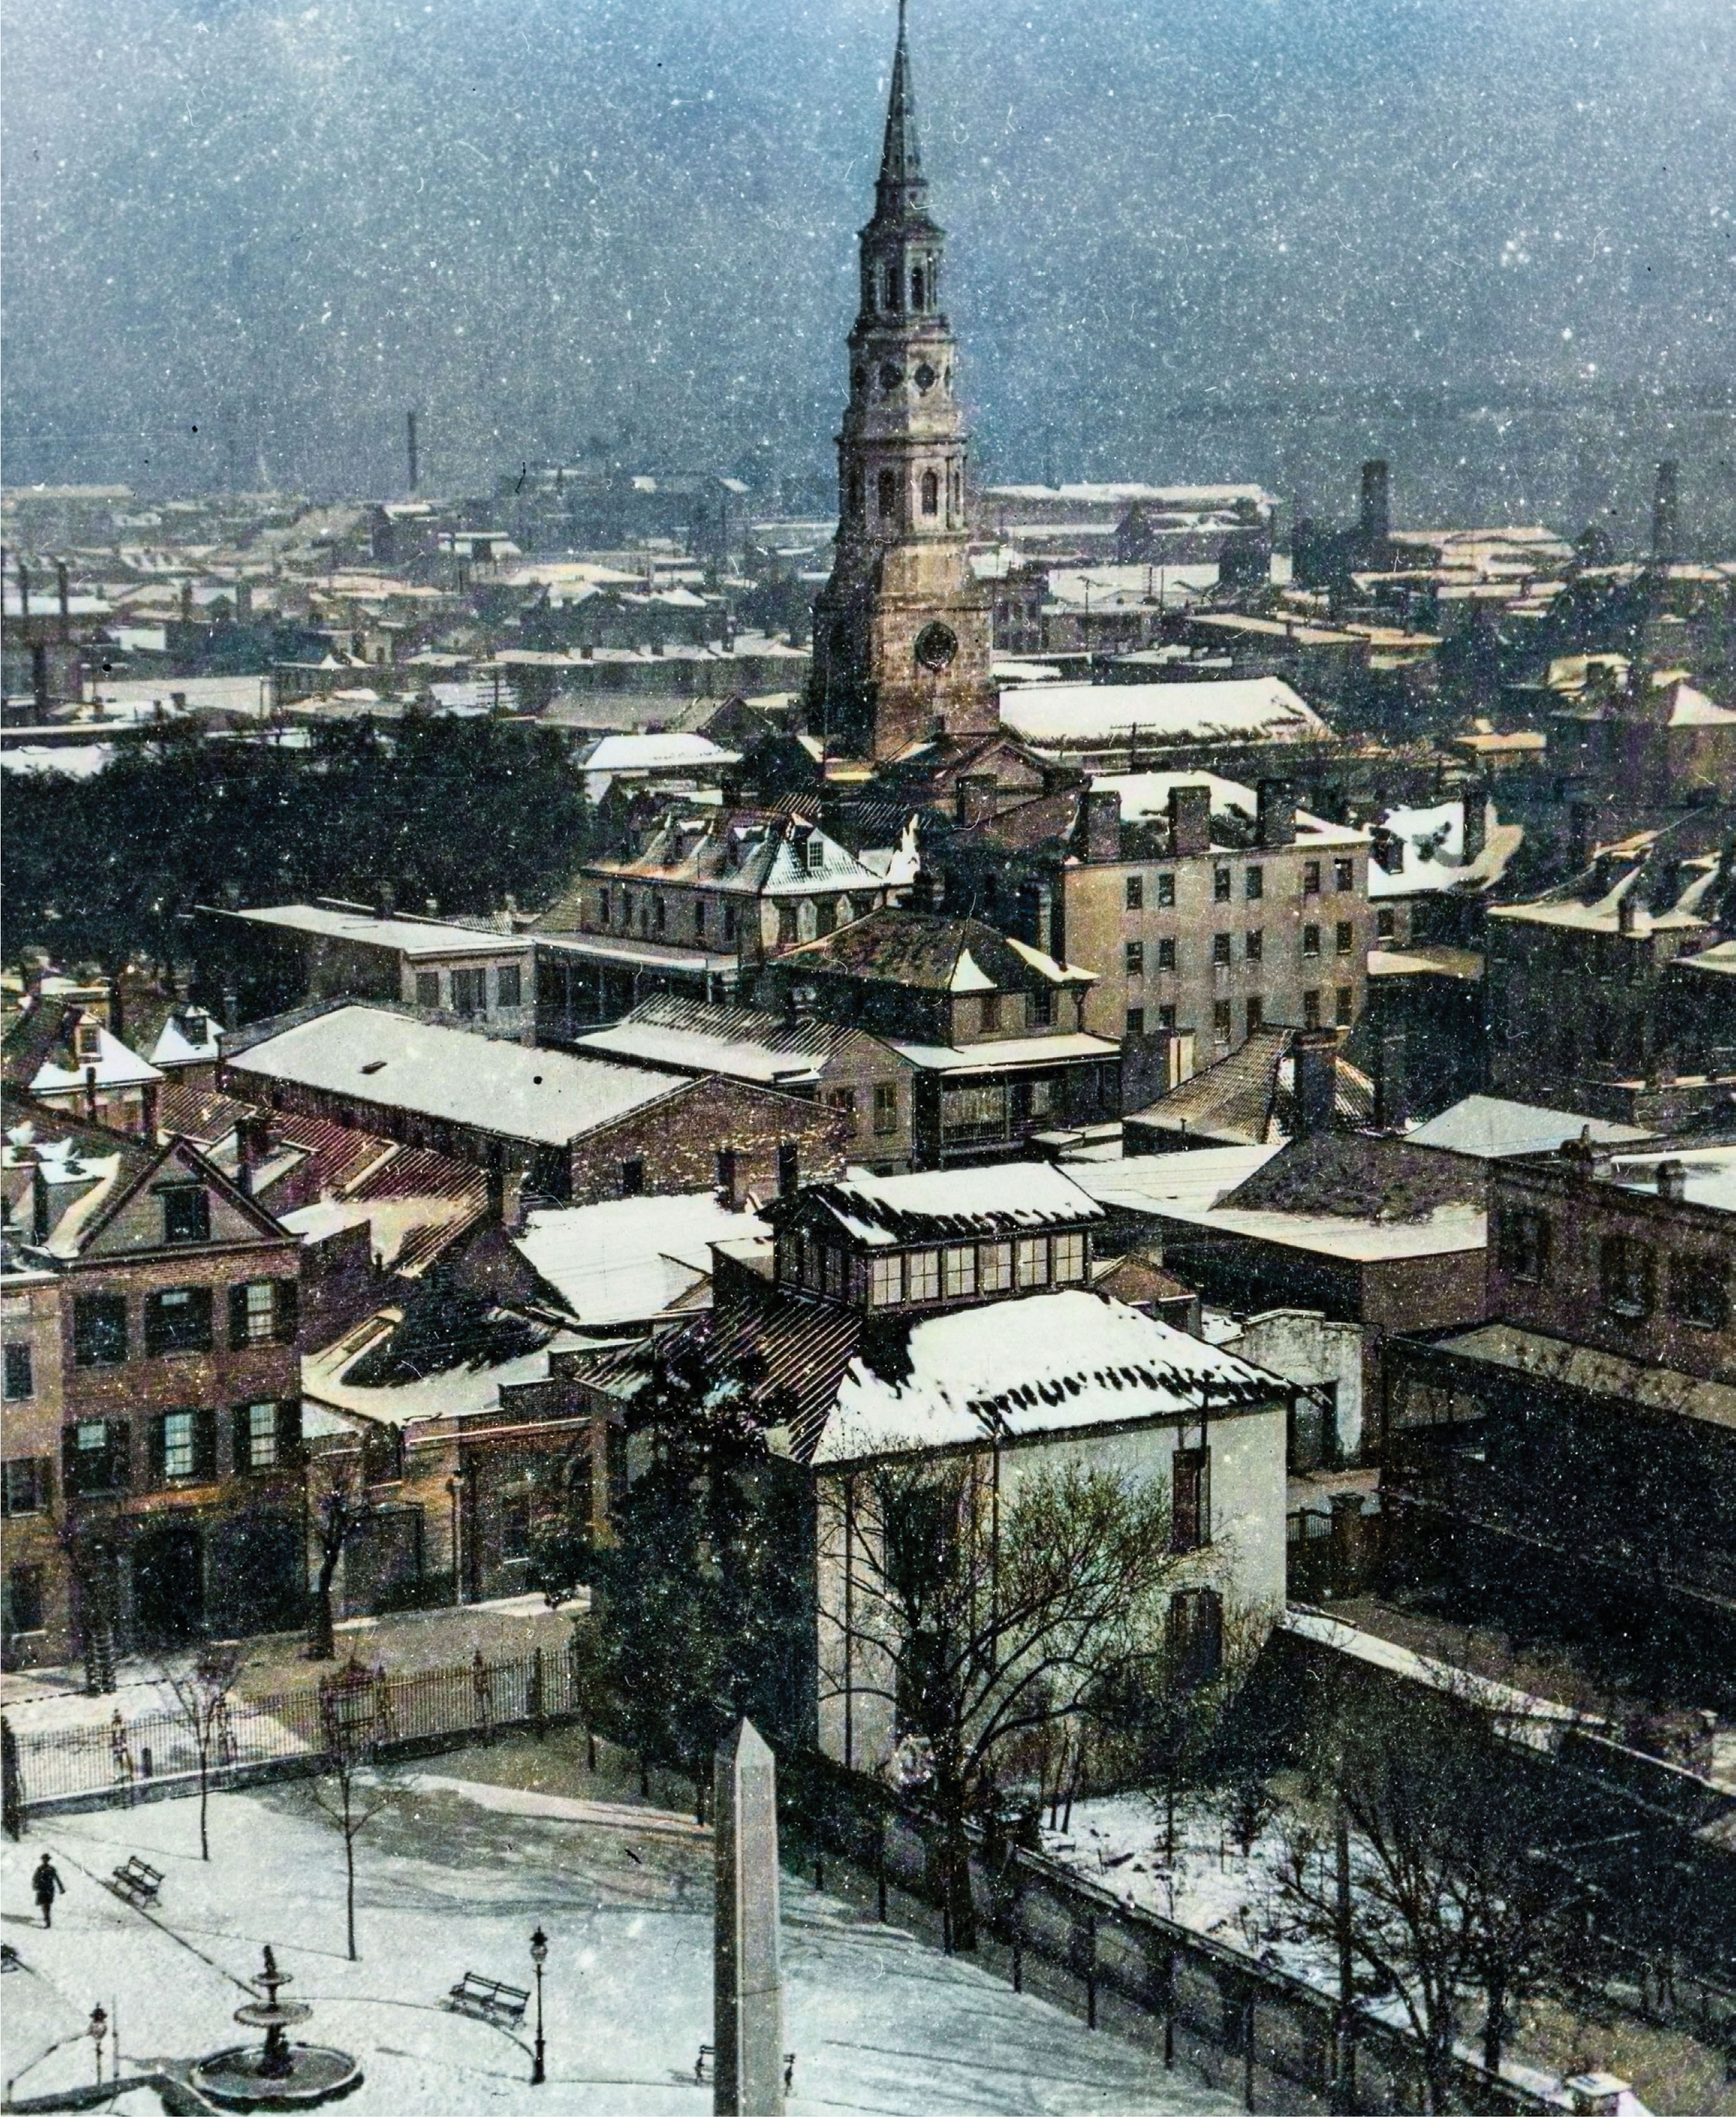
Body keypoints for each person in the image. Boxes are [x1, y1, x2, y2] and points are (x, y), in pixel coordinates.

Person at [32, 1852, 65, 1928]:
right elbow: (35, 1878)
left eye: (46, 1859)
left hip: (48, 1889)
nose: (45, 1861)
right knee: (45, 1905)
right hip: (42, 1889)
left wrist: (61, 1888)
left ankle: (47, 1921)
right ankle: (47, 1919)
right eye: (44, 1859)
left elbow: (57, 1879)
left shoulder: (51, 1869)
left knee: (46, 1905)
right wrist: (35, 1885)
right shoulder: (40, 1869)